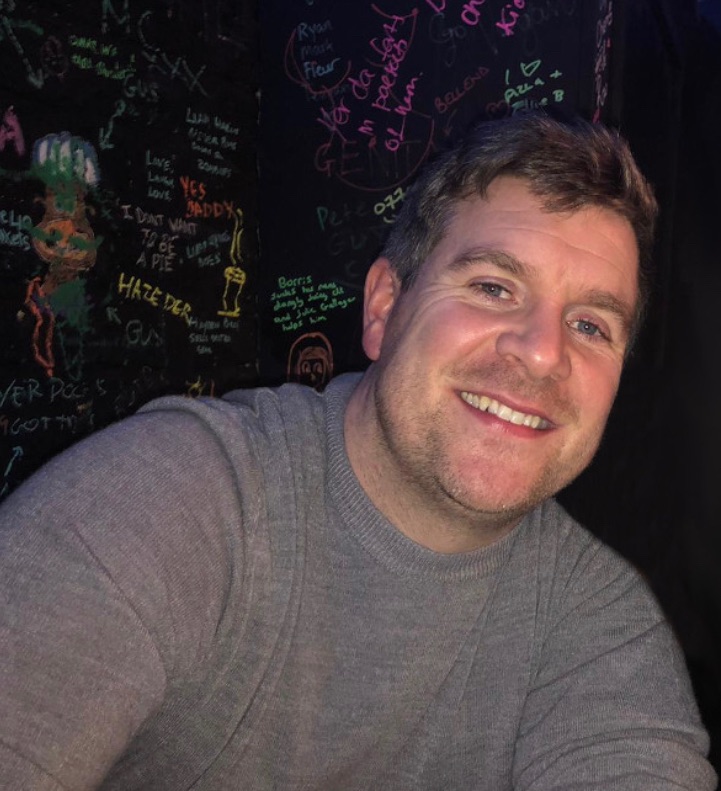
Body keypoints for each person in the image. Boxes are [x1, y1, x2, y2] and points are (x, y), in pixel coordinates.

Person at [0, 112, 716, 790]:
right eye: (494, 287)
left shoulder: (599, 622)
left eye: (590, 326)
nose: (541, 353)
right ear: (383, 307)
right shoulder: (170, 502)